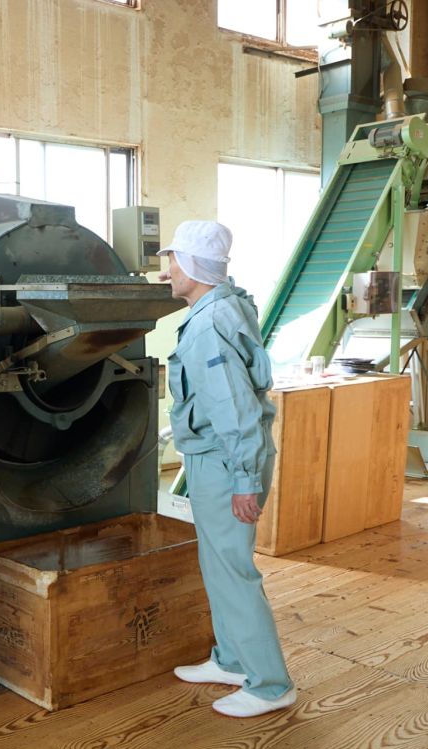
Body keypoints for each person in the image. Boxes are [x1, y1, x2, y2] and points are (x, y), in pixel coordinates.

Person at [160, 220, 296, 718]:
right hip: (214, 457)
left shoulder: (208, 326)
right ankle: (233, 661)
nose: (167, 269)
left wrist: (243, 479)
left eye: (174, 260)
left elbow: (235, 409)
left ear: (195, 266)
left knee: (235, 571)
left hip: (223, 462)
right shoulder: (224, 306)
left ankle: (270, 684)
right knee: (218, 566)